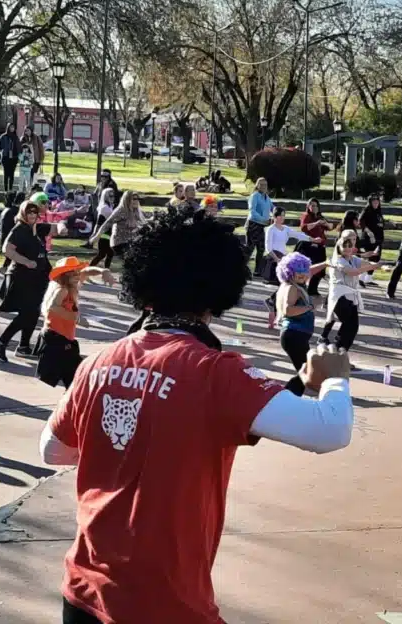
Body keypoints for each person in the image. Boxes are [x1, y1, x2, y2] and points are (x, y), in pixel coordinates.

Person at [38, 210, 353, 624]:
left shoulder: (99, 361)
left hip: (83, 592)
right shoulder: (215, 371)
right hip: (165, 603)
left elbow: (53, 451)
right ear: (216, 292)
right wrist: (333, 379)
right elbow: (330, 429)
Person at [36, 257, 114, 390]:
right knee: (77, 377)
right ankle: (72, 403)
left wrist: (103, 271)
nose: (78, 276)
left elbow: (88, 271)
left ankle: (71, 401)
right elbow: (53, 307)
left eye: (78, 272)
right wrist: (76, 318)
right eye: (73, 273)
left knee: (75, 378)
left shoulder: (72, 283)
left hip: (64, 339)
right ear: (64, 276)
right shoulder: (62, 289)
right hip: (58, 340)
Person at [0, 201, 52, 363]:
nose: (32, 215)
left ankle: (24, 346)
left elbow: (55, 228)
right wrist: (26, 261)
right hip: (22, 277)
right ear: (23, 214)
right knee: (27, 313)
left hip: (37, 277)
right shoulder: (19, 229)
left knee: (32, 313)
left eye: (34, 212)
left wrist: (64, 225)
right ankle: (1, 342)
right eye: (29, 213)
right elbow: (7, 249)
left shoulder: (35, 229)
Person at [275, 252, 329, 395]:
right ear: (290, 272)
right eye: (299, 273)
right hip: (293, 336)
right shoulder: (292, 288)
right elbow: (288, 310)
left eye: (304, 272)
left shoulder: (294, 283)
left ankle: (285, 397)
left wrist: (326, 263)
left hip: (297, 336)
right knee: (306, 372)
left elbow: (310, 270)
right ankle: (283, 397)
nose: (303, 275)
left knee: (305, 371)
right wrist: (309, 307)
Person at [321, 230, 383, 353]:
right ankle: (334, 348)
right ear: (339, 246)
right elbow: (353, 272)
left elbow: (365, 262)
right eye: (345, 245)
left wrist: (380, 265)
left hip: (350, 296)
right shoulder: (338, 261)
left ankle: (341, 352)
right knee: (348, 325)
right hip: (340, 297)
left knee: (353, 327)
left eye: (351, 244)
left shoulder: (352, 258)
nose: (349, 247)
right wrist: (374, 266)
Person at [263, 208, 312, 324]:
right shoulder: (270, 229)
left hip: (283, 260)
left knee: (286, 285)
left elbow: (298, 235)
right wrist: (277, 260)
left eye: (283, 216)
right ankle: (274, 304)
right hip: (275, 260)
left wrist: (312, 239)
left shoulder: (285, 229)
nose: (282, 218)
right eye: (280, 216)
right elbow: (268, 248)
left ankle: (272, 302)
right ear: (275, 217)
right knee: (286, 285)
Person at [89, 190, 147, 268]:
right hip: (120, 242)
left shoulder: (135, 211)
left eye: (137, 199)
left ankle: (108, 272)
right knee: (103, 254)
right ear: (127, 200)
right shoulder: (121, 210)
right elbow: (107, 223)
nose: (136, 201)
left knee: (139, 258)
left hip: (130, 242)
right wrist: (96, 237)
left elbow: (143, 223)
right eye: (133, 199)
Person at [298, 198, 332, 297]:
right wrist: (316, 223)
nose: (314, 207)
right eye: (312, 205)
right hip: (308, 246)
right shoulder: (306, 216)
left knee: (320, 270)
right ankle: (300, 287)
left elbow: (330, 227)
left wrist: (326, 224)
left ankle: (312, 289)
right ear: (308, 206)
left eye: (316, 205)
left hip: (320, 246)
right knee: (305, 269)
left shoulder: (320, 216)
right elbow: (304, 228)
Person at [245, 177, 273, 271]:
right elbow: (252, 212)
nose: (263, 186)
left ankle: (258, 271)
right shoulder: (255, 196)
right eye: (261, 184)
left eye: (265, 185)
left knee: (261, 249)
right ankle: (241, 269)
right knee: (250, 249)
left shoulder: (267, 197)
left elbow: (273, 208)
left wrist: (278, 214)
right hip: (253, 225)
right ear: (257, 185)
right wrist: (264, 220)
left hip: (263, 226)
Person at [88, 187, 117, 268]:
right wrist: (95, 234)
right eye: (110, 196)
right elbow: (100, 223)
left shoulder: (109, 206)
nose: (112, 198)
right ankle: (88, 270)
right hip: (104, 234)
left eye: (113, 196)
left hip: (108, 233)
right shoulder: (105, 208)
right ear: (105, 197)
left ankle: (105, 271)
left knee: (106, 254)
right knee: (104, 254)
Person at [358, 194, 385, 268]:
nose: (376, 204)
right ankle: (364, 277)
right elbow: (361, 221)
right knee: (370, 257)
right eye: (374, 202)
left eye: (377, 202)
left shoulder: (378, 211)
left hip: (378, 237)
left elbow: (378, 221)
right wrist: (369, 232)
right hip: (369, 238)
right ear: (370, 202)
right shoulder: (366, 210)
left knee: (377, 258)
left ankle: (368, 277)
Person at [0, 123, 19, 192]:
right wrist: (4, 151)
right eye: (11, 127)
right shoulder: (3, 136)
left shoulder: (16, 137)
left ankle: (10, 189)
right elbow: (0, 147)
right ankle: (6, 189)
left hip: (14, 158)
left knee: (12, 174)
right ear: (8, 128)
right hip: (5, 157)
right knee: (6, 174)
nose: (12, 129)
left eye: (13, 127)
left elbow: (18, 147)